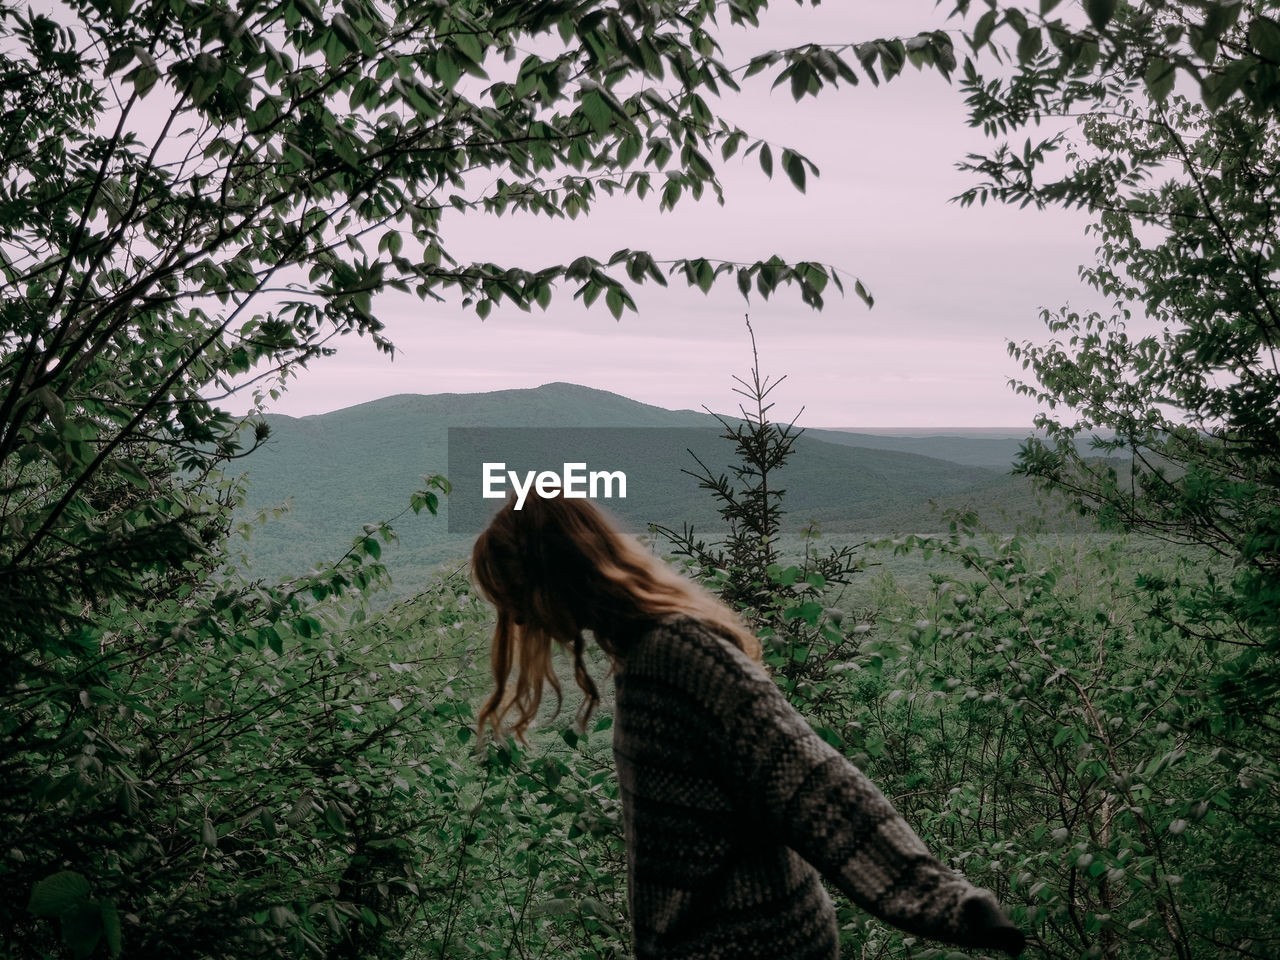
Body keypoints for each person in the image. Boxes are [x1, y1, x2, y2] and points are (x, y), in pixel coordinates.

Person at [470, 491, 1027, 960]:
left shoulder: (678, 654)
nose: (518, 619)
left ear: (556, 575)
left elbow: (810, 777)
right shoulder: (641, 657)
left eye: (516, 597)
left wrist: (943, 900)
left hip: (754, 943)